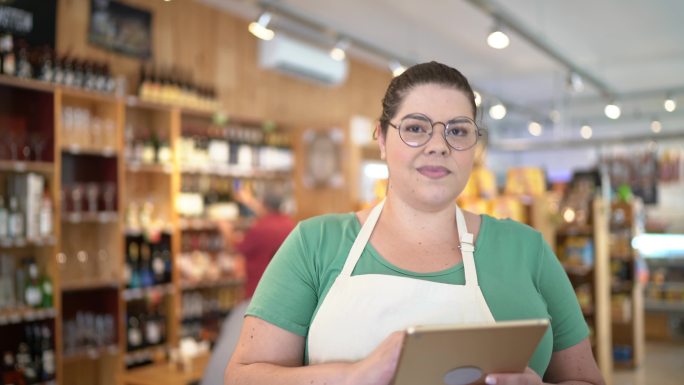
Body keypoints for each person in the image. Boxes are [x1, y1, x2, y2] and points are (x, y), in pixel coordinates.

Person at [224, 61, 605, 385]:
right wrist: (353, 375)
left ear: (474, 146)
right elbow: (241, 376)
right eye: (416, 127)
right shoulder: (315, 243)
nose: (438, 145)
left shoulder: (527, 250)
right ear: (382, 138)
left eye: (457, 130)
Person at [200, 188, 295, 385]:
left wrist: (225, 231)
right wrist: (248, 201)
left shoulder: (260, 228)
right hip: (286, 299)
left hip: (256, 297)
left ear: (264, 204)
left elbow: (234, 247)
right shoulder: (290, 224)